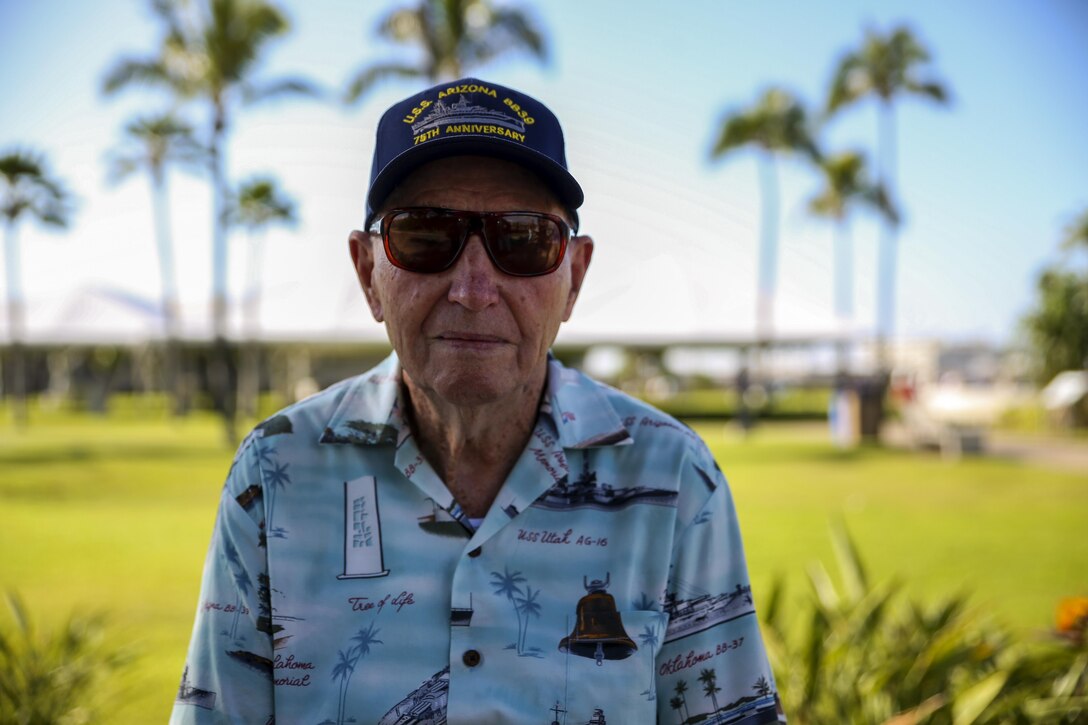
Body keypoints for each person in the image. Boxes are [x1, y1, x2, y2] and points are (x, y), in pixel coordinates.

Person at [172, 77, 784, 725]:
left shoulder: (673, 479)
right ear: (367, 273)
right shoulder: (273, 474)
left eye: (522, 239)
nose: (473, 288)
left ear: (573, 278)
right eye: (426, 235)